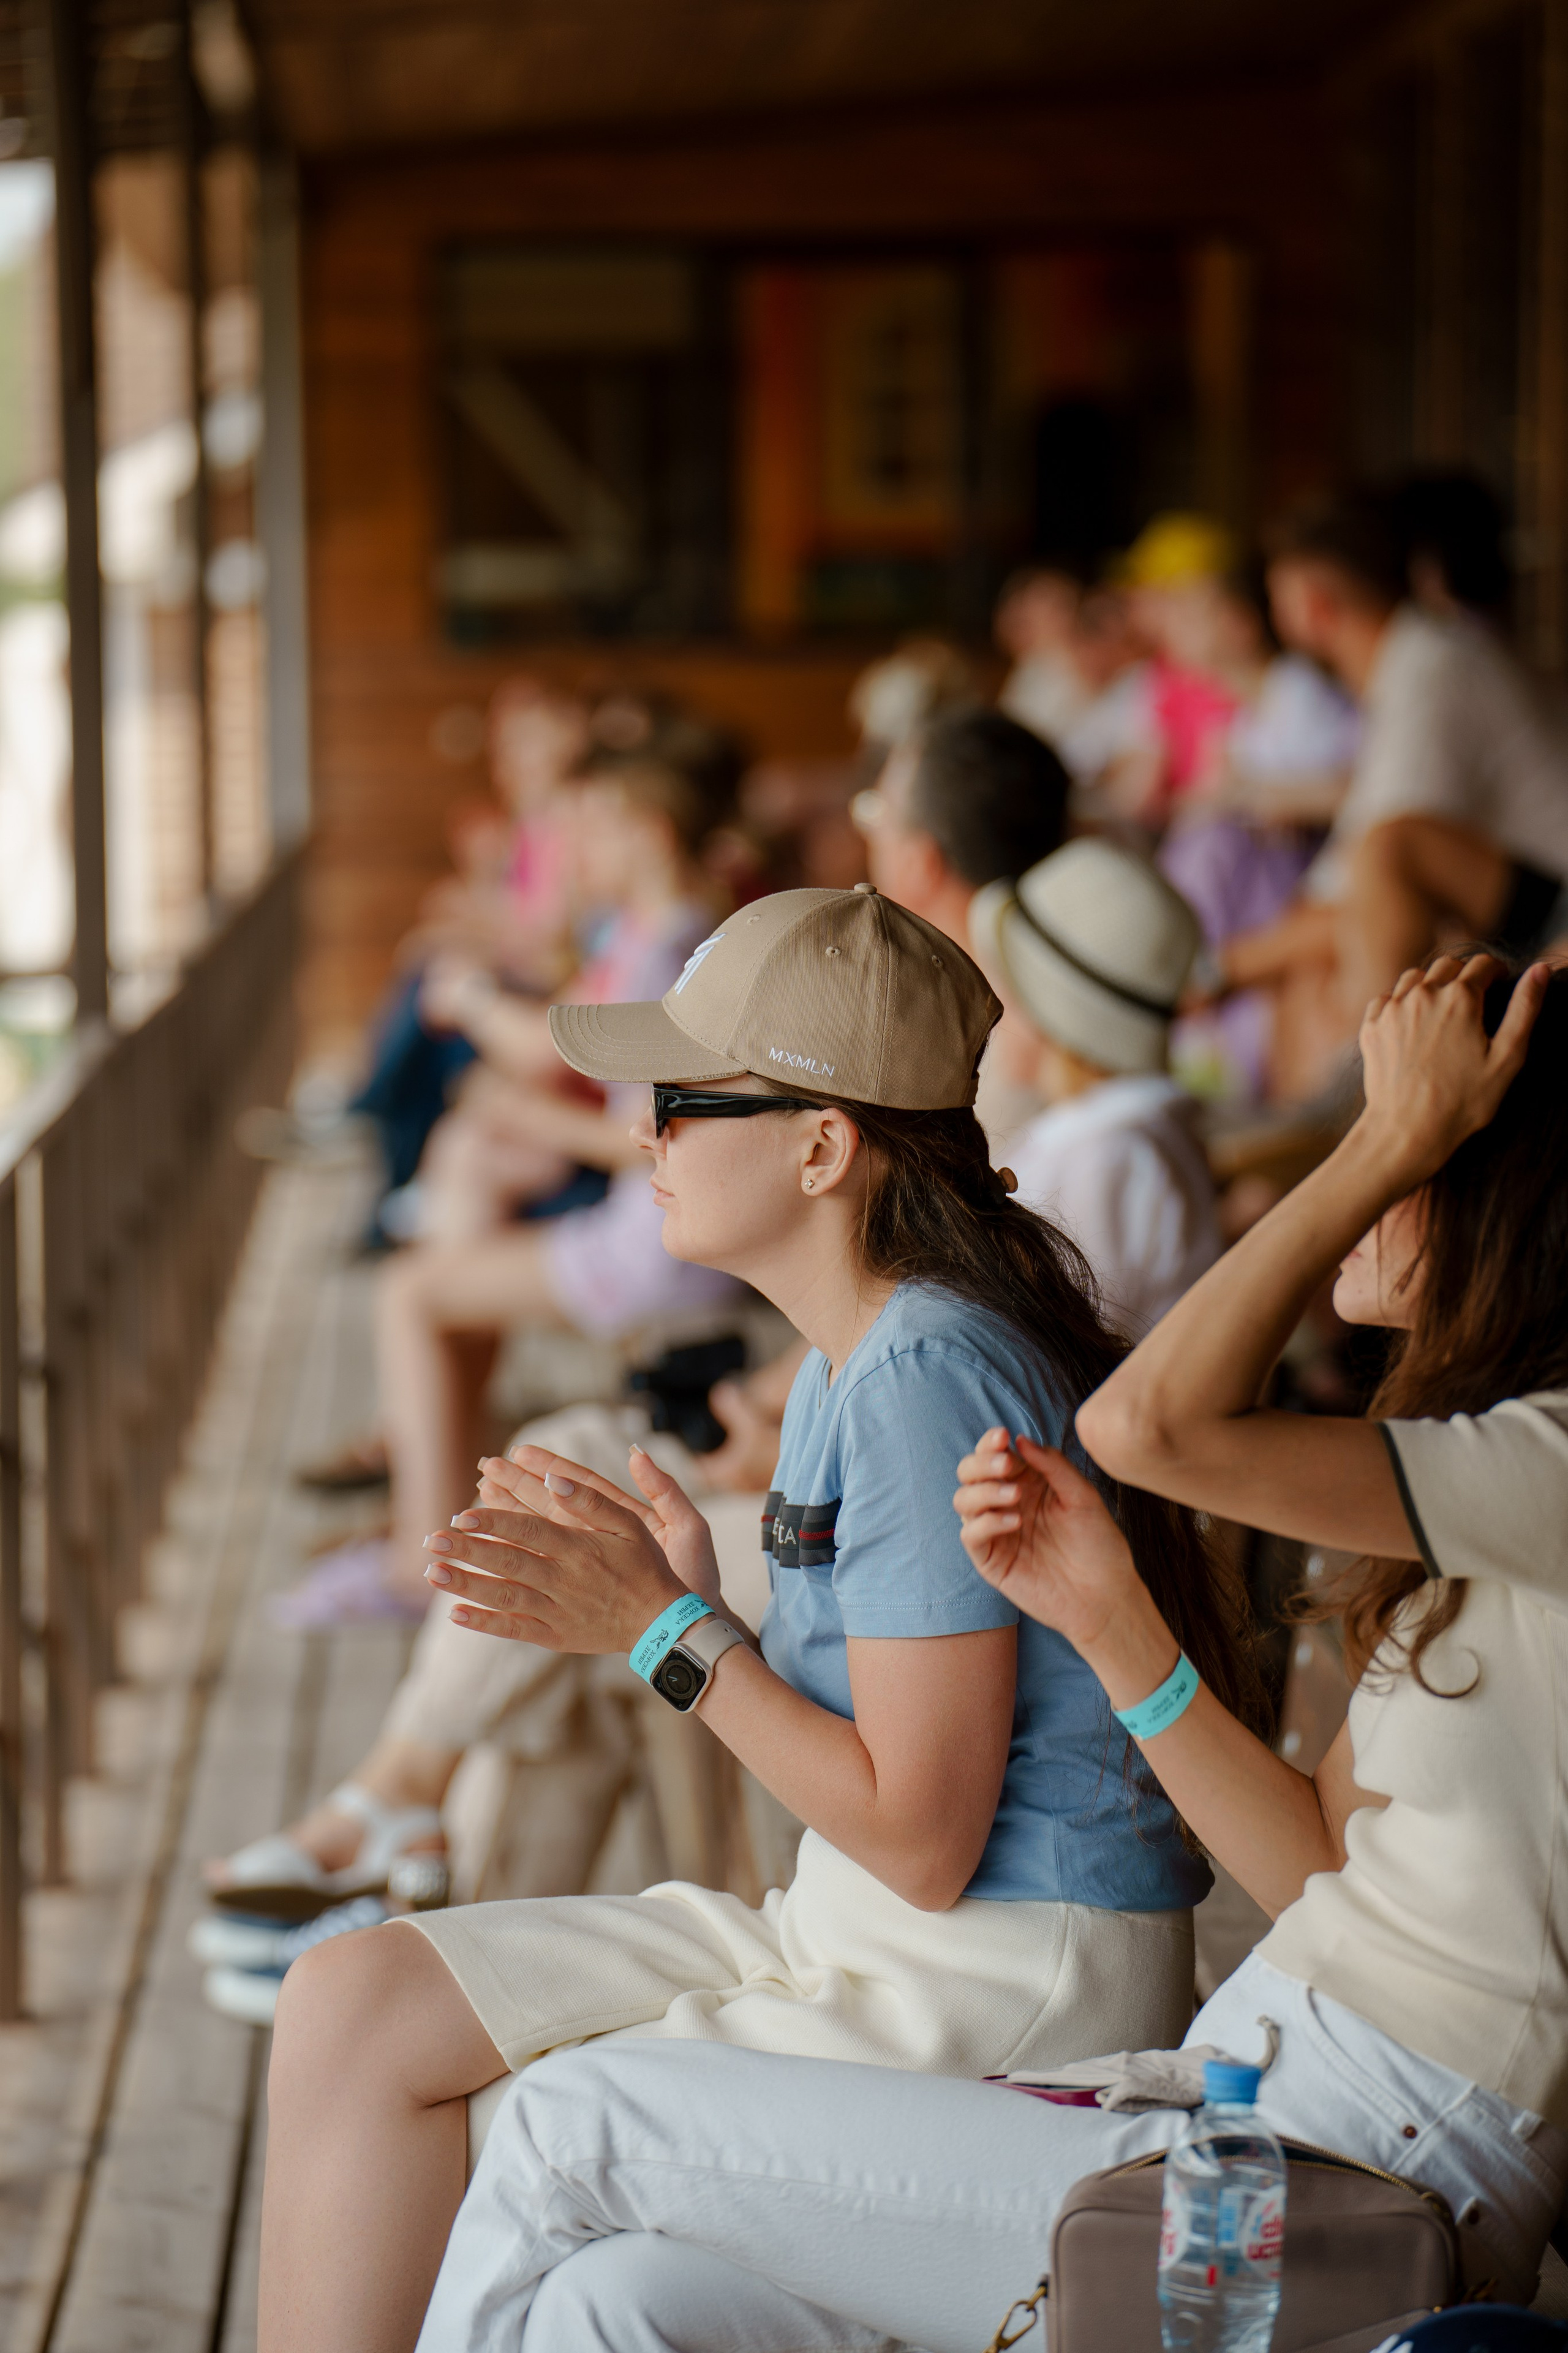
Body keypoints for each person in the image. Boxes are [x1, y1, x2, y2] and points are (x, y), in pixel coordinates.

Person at [410, 946, 1568, 2353]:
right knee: (619, 2301)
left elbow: (1146, 1427)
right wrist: (1107, 1621)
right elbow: (1315, 1873)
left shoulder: (1549, 1465)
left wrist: (1389, 1132)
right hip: (1247, 2089)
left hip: (1353, 2170)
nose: (1358, 1176)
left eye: (1405, 1151)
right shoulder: (1471, 1494)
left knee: (562, 2123)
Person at [257, 883, 1263, 2353]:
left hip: (995, 1982)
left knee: (516, 2118)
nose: (644, 1130)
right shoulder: (856, 1355)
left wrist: (669, 1630)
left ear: (820, 1144)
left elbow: (921, 1835)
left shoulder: (927, 1370)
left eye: (680, 1096)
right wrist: (689, 1607)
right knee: (357, 1997)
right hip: (864, 1938)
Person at [266, 747, 742, 1630]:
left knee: (411, 1291)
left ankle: (422, 1562)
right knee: (454, 1232)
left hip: (655, 1239)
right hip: (643, 1220)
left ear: (653, 833)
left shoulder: (668, 948)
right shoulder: (656, 934)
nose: (576, 841)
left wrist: (523, 1112)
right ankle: (436, 1512)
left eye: (598, 822)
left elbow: (645, 1138)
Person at [1216, 496, 1568, 1097]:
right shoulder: (1410, 662)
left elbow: (1380, 854)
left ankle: (1369, 1115)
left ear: (1313, 603)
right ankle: (1320, 1136)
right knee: (1314, 953)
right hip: (1519, 901)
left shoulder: (1434, 668)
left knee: (1382, 862)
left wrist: (1227, 968)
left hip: (1555, 902)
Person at [969, 839, 1221, 1337]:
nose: (990, 1012)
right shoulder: (1106, 1135)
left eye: (1007, 992)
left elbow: (1050, 1343)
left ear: (1054, 1021)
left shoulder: (1108, 1157)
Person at [851, 706, 1071, 1150]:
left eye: (875, 812)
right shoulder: (1073, 1006)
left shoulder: (979, 1056)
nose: (867, 835)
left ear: (921, 862)